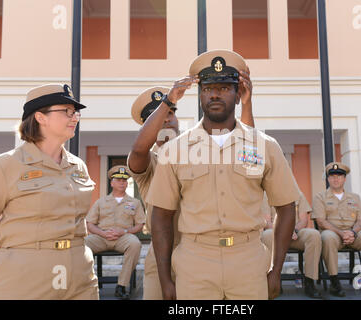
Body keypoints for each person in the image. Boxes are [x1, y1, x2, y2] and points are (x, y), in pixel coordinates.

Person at [145, 49, 300, 300]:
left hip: (248, 262)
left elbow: (286, 207)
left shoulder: (264, 146)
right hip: (195, 263)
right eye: (208, 88)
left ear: (238, 95)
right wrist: (165, 279)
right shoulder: (175, 149)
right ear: (200, 95)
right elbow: (161, 217)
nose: (215, 93)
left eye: (224, 87)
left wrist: (276, 270)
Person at [127, 66, 255, 299]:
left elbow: (246, 151)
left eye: (171, 113)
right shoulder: (149, 162)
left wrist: (245, 104)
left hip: (200, 253)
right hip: (161, 256)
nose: (167, 119)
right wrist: (167, 101)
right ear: (147, 126)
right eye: (159, 115)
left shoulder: (198, 151)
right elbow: (137, 150)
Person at [0, 83, 98, 299]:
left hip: (79, 275)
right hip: (24, 277)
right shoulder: (5, 165)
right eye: (67, 111)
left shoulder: (77, 166)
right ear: (40, 117)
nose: (75, 117)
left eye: (75, 112)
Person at [312, 162, 361, 297]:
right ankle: (334, 281)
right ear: (328, 179)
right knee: (327, 237)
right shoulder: (320, 197)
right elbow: (321, 221)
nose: (336, 179)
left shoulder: (355, 197)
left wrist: (353, 232)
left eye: (339, 176)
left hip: (353, 234)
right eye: (332, 176)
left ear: (344, 178)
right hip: (333, 234)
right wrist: (342, 233)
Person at [85, 165, 145, 300]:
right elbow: (90, 224)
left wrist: (124, 231)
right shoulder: (101, 201)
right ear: (112, 183)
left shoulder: (134, 202)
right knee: (83, 245)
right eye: (118, 180)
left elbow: (140, 225)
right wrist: (102, 233)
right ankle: (87, 283)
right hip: (101, 237)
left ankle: (121, 285)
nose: (122, 182)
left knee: (135, 244)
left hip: (123, 237)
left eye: (124, 180)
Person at [261, 190, 322, 299]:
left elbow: (303, 220)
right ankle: (275, 280)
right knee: (267, 234)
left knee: (314, 234)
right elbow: (267, 222)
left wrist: (294, 230)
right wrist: (284, 231)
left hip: (295, 234)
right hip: (276, 234)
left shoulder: (298, 194)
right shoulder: (266, 195)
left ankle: (310, 281)